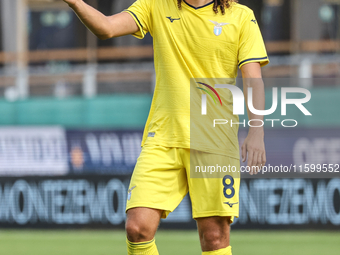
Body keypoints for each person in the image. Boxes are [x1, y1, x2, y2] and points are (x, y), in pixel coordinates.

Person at [63, 0, 268, 254]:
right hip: (163, 137)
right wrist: (75, 2)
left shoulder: (241, 16)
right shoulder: (156, 5)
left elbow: (253, 78)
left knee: (214, 237)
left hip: (215, 139)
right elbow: (106, 27)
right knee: (137, 228)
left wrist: (256, 130)